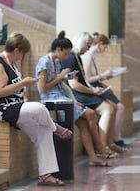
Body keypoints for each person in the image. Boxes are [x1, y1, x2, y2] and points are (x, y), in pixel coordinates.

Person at [0, 32, 71, 186]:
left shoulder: (12, 63)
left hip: (15, 107)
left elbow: (18, 84)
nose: (23, 56)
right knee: (39, 108)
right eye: (23, 53)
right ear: (17, 50)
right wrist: (23, 83)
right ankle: (56, 128)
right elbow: (0, 91)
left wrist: (23, 65)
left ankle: (45, 175)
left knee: (44, 131)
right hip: (0, 108)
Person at [35, 31, 114, 166]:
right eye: (65, 53)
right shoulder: (44, 62)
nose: (66, 57)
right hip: (53, 98)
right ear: (58, 50)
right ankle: (100, 146)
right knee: (90, 114)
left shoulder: (56, 61)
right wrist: (60, 77)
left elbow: (58, 80)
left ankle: (93, 157)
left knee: (84, 125)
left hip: (62, 95)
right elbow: (42, 88)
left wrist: (66, 77)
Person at [60, 32, 123, 154]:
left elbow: (82, 80)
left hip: (83, 90)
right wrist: (93, 90)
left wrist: (98, 89)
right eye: (87, 45)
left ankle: (107, 143)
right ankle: (102, 146)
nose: (88, 48)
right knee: (107, 109)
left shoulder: (77, 57)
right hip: (75, 94)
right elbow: (74, 85)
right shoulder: (71, 58)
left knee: (111, 107)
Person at [81, 32, 129, 149]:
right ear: (100, 44)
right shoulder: (87, 56)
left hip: (97, 86)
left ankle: (111, 140)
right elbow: (87, 78)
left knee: (117, 107)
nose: (105, 49)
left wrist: (105, 78)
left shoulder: (93, 56)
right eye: (105, 47)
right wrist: (103, 75)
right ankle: (108, 142)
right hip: (92, 89)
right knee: (113, 107)